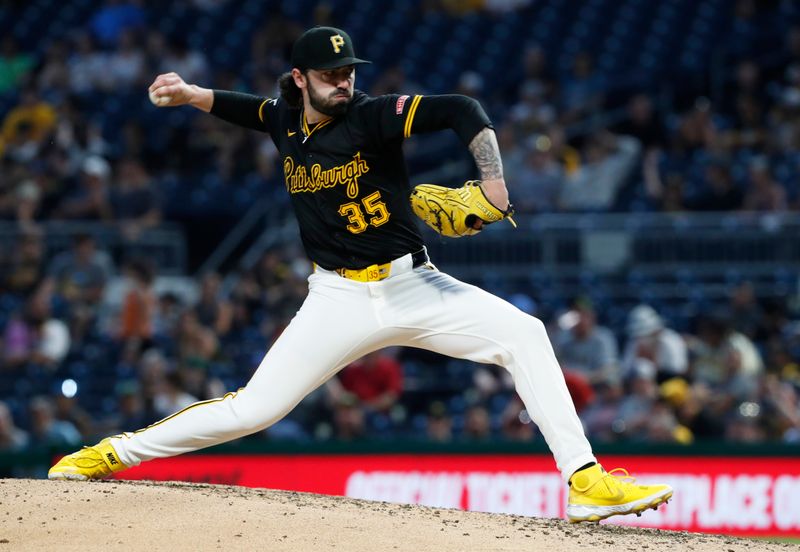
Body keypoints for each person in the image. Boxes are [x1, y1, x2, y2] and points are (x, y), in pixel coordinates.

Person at [49, 26, 671, 523]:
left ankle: (585, 481)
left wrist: (493, 183)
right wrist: (192, 96)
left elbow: (462, 109)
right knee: (252, 411)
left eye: (348, 71)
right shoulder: (284, 119)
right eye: (329, 75)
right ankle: (112, 452)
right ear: (300, 79)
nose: (343, 82)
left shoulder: (371, 117)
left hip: (413, 285)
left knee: (526, 334)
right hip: (337, 297)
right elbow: (251, 111)